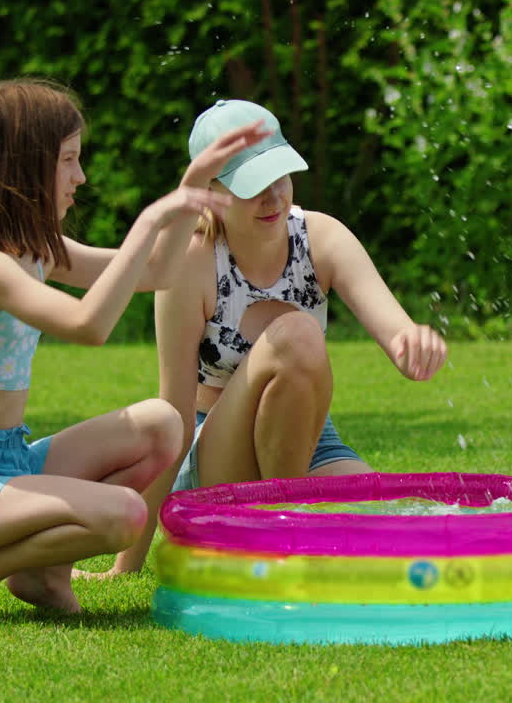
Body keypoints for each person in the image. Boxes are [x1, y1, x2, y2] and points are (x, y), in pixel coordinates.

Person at [0, 79, 270, 626]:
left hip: (9, 463)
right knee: (124, 516)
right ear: (27, 168)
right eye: (69, 161)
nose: (80, 177)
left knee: (164, 425)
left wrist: (189, 188)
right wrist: (149, 221)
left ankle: (42, 573)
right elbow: (88, 324)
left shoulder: (38, 251)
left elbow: (156, 272)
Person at [98, 99, 448, 575]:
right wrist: (127, 564)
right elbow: (173, 416)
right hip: (217, 447)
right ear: (212, 191)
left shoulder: (321, 238)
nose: (273, 198)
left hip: (309, 441)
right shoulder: (188, 265)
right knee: (297, 336)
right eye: (253, 186)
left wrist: (413, 344)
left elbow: (397, 329)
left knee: (395, 522)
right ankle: (287, 534)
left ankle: (288, 524)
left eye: (279, 177)